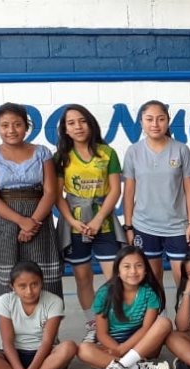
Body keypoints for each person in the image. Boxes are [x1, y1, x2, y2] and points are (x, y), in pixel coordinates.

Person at [0, 102, 63, 309]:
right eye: (5, 125)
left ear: (26, 126)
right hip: (5, 221)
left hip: (39, 219)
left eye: (17, 124)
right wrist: (21, 221)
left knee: (41, 272)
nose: (11, 130)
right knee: (7, 274)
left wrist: (33, 222)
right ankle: (10, 324)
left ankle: (46, 322)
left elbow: (50, 192)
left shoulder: (42, 152)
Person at [53, 104, 126, 336]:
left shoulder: (107, 153)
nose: (78, 126)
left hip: (103, 223)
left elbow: (115, 190)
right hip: (75, 225)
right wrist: (72, 221)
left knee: (114, 276)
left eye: (82, 121)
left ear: (91, 123)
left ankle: (115, 318)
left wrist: (98, 219)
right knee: (83, 277)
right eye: (71, 123)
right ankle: (92, 323)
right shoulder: (61, 157)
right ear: (65, 129)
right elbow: (57, 196)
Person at [123, 100, 190, 287]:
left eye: (160, 119)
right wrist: (129, 227)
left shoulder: (181, 149)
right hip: (144, 225)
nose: (155, 124)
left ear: (168, 121)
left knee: (183, 278)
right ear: (141, 122)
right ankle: (158, 308)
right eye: (149, 119)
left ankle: (184, 307)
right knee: (152, 279)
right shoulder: (133, 152)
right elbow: (129, 192)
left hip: (177, 226)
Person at [83, 246, 174, 369]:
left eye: (138, 266)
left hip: (142, 345)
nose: (133, 271)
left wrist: (122, 350)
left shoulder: (150, 292)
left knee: (164, 323)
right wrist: (117, 349)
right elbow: (102, 333)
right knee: (83, 350)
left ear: (146, 270)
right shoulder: (104, 293)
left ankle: (117, 367)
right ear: (118, 271)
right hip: (113, 345)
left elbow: (146, 329)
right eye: (127, 266)